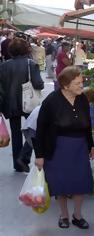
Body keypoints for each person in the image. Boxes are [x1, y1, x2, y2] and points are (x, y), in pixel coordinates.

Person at [34, 66, 94, 229]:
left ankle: (77, 215)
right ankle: (64, 215)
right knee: (60, 182)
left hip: (79, 146)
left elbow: (87, 125)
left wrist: (91, 145)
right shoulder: (51, 101)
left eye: (82, 82)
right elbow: (41, 130)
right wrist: (39, 155)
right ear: (65, 85)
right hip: (57, 148)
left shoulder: (82, 100)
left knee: (80, 181)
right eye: (77, 83)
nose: (81, 86)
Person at [0, 38, 44, 172]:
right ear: (26, 50)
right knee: (34, 129)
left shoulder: (3, 66)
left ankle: (17, 164)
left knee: (16, 133)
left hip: (10, 104)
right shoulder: (31, 64)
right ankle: (24, 156)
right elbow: (38, 84)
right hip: (29, 103)